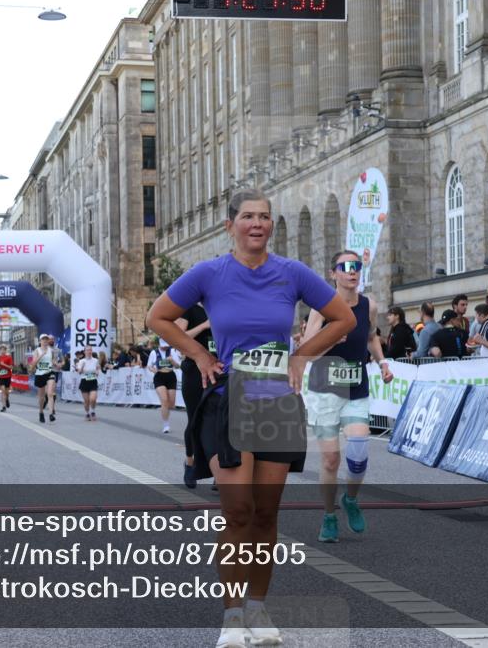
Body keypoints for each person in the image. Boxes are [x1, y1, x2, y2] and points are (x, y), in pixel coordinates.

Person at [145, 189, 355, 648]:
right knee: (237, 510)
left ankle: (258, 608)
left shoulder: (292, 273)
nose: (257, 223)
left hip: (276, 401)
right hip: (229, 399)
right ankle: (232, 615)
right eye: (247, 216)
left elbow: (343, 319)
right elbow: (157, 317)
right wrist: (199, 354)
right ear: (230, 226)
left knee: (265, 513)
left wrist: (301, 356)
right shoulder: (209, 273)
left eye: (264, 216)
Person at [303, 251, 393, 544]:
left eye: (357, 266)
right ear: (334, 273)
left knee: (358, 455)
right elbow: (307, 352)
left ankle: (350, 499)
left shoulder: (369, 305)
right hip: (324, 391)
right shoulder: (321, 308)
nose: (352, 271)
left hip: (355, 388)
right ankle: (329, 516)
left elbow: (371, 337)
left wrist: (382, 362)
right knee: (330, 460)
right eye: (346, 267)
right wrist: (329, 338)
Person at [176, 302, 215, 488]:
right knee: (194, 420)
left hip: (219, 368)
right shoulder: (190, 308)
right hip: (194, 370)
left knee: (221, 420)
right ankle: (190, 463)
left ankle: (220, 470)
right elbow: (178, 338)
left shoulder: (221, 306)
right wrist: (204, 325)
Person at [148, 339, 181, 434]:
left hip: (171, 376)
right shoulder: (154, 352)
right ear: (160, 344)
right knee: (164, 400)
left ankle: (164, 408)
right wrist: (153, 370)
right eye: (163, 346)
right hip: (159, 376)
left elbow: (178, 366)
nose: (165, 347)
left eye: (166, 345)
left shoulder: (172, 351)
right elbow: (149, 365)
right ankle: (166, 425)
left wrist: (172, 360)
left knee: (171, 404)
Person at [32, 334, 57, 423]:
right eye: (43, 339)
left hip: (49, 373)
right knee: (41, 397)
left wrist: (56, 364)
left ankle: (51, 414)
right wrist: (41, 355)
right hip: (40, 374)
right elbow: (33, 364)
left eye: (46, 339)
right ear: (40, 341)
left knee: (50, 393)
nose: (45, 341)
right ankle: (41, 412)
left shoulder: (51, 350)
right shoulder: (37, 350)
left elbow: (52, 361)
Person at [76, 345, 100, 421]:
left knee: (93, 399)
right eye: (87, 350)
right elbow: (79, 372)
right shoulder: (81, 361)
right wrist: (82, 367)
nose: (89, 352)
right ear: (84, 352)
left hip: (93, 381)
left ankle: (93, 411)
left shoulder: (95, 360)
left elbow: (98, 368)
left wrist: (97, 372)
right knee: (86, 401)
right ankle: (87, 413)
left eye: (90, 350)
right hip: (84, 381)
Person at [0, 345, 13, 412]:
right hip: (1, 377)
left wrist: (4, 364)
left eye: (4, 350)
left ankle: (7, 399)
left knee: (6, 392)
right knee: (2, 390)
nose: (2, 351)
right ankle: (3, 406)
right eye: (1, 350)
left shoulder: (9, 357)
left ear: (5, 351)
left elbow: (11, 367)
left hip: (7, 376)